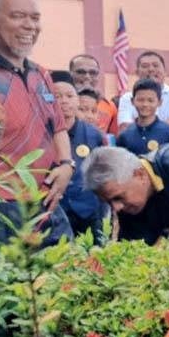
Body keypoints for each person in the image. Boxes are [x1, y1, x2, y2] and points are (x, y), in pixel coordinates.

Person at [0, 0, 74, 252]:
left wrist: (67, 164)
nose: (30, 26)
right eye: (18, 16)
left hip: (46, 201)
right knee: (12, 290)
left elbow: (57, 127)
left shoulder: (41, 74)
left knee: (67, 282)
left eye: (35, 18)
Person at [50, 71, 109, 244]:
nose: (64, 101)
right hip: (55, 211)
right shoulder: (41, 132)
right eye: (57, 96)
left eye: (69, 95)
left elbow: (104, 174)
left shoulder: (94, 135)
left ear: (77, 100)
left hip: (89, 211)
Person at [117, 51, 169, 139]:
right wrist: (168, 124)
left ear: (165, 71)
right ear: (137, 73)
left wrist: (141, 126)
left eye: (156, 65)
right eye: (145, 66)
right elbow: (125, 128)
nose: (151, 69)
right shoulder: (127, 98)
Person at [116, 79, 169, 155]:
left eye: (150, 100)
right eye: (140, 100)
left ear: (159, 102)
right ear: (132, 101)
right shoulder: (125, 135)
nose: (145, 104)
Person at [69, 54, 118, 136]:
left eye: (92, 73)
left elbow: (112, 138)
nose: (87, 77)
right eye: (81, 72)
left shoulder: (110, 106)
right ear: (70, 74)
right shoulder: (60, 102)